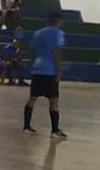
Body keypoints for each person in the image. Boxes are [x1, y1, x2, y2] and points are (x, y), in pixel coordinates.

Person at [23, 10, 67, 139]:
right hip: (50, 70)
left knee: (32, 98)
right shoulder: (58, 33)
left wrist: (33, 65)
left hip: (37, 69)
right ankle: (55, 130)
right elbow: (56, 51)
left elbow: (32, 51)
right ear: (58, 21)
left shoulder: (38, 33)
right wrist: (59, 70)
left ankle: (26, 126)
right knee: (53, 101)